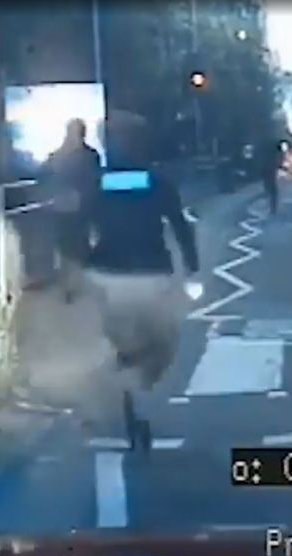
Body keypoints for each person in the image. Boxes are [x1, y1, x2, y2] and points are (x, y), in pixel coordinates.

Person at [80, 111, 199, 451]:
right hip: (150, 271)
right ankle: (132, 393)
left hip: (108, 274)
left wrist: (80, 265)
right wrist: (191, 267)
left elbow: (78, 226)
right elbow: (179, 225)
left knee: (125, 342)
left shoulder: (98, 183)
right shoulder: (156, 180)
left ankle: (127, 393)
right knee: (163, 340)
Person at [38, 119, 103, 303]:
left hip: (62, 207)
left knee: (66, 246)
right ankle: (76, 283)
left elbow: (42, 174)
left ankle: (70, 285)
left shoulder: (59, 155)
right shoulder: (90, 155)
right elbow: (95, 180)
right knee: (78, 244)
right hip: (81, 207)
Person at [260, 139, 284, 214]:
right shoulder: (275, 148)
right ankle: (272, 207)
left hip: (267, 169)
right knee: (273, 189)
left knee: (269, 187)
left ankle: (271, 206)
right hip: (270, 169)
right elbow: (280, 156)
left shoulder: (265, 146)